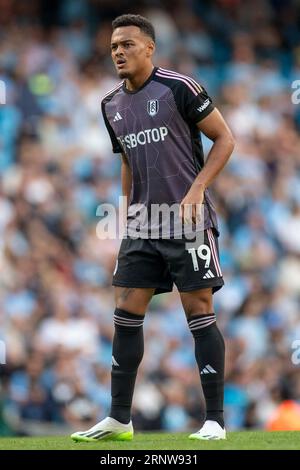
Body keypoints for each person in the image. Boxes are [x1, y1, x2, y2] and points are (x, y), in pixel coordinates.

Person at [71, 13, 234, 442]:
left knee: (199, 311)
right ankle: (119, 419)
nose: (118, 52)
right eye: (113, 47)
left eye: (126, 44)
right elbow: (126, 158)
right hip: (145, 223)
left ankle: (215, 420)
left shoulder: (180, 87)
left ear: (149, 48)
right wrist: (126, 214)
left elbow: (226, 138)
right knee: (125, 313)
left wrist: (198, 190)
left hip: (187, 220)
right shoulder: (110, 105)